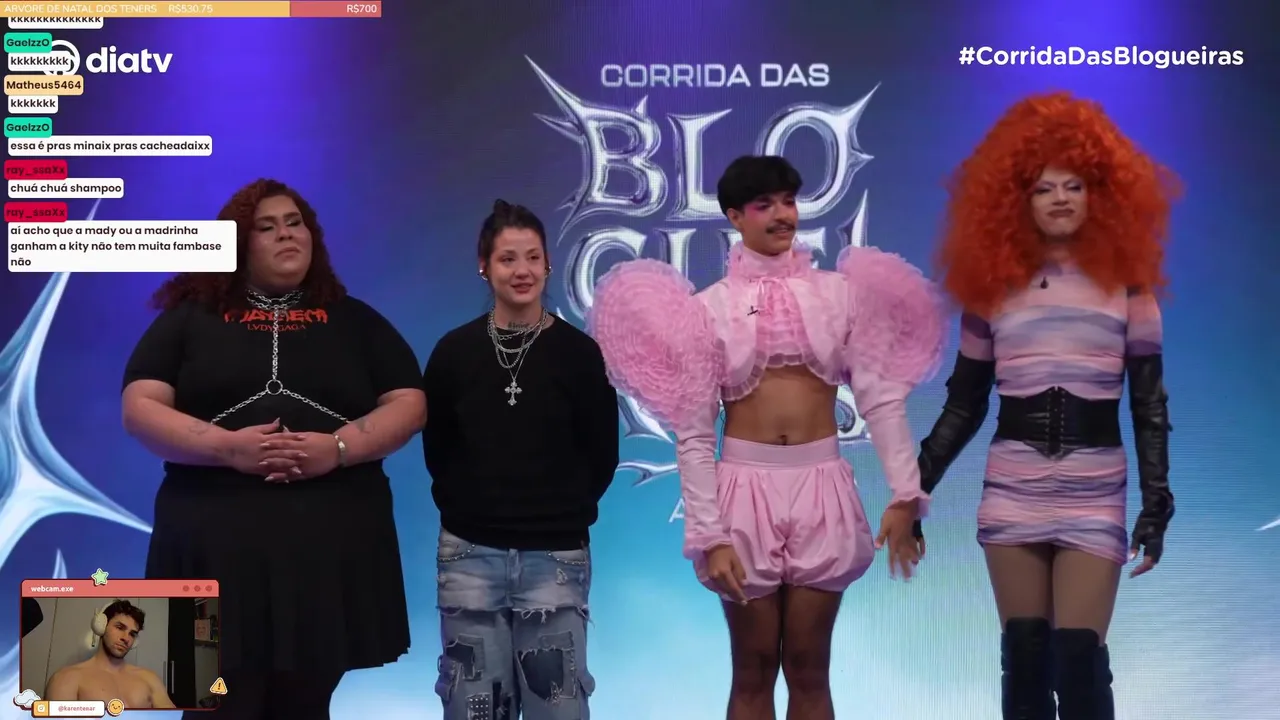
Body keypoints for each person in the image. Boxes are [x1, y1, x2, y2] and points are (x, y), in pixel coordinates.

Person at [589, 156, 946, 719]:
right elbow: (694, 434)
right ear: (735, 217)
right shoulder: (708, 309)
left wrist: (906, 494)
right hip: (743, 492)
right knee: (752, 669)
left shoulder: (840, 295)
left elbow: (880, 400)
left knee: (809, 667)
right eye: (764, 205)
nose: (782, 215)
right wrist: (708, 534)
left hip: (821, 488)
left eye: (789, 202)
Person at [914, 92, 1178, 720]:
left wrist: (1157, 504)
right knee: (1025, 662)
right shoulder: (990, 292)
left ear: (1101, 196)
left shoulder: (1131, 293)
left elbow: (1149, 408)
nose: (1060, 198)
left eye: (1074, 185)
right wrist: (913, 489)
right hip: (1013, 489)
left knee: (1079, 661)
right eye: (1043, 188)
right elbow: (964, 406)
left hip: (1095, 490)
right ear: (1016, 201)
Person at [121, 179, 427, 720]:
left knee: (305, 703)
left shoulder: (355, 319)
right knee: (219, 703)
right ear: (237, 243)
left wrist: (338, 448)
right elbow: (140, 406)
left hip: (328, 548)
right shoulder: (190, 318)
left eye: (295, 223)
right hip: (212, 544)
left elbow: (409, 402)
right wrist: (226, 448)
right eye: (267, 227)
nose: (287, 234)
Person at [422, 199, 619, 720]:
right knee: (474, 708)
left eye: (533, 257)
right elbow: (438, 448)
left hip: (554, 556)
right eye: (508, 259)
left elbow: (602, 453)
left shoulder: (579, 354)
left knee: (559, 707)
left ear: (548, 264)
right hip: (469, 553)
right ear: (484, 266)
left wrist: (557, 512)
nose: (522, 270)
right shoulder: (453, 353)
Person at [45, 600, 176, 708]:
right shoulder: (67, 679)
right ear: (101, 626)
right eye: (120, 627)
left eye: (132, 634)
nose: (126, 638)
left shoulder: (150, 679)